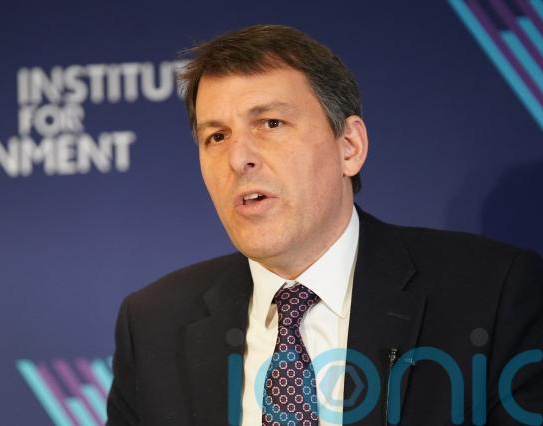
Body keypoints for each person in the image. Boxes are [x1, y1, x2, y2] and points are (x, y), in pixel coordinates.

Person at [106, 25, 543, 426]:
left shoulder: (492, 294)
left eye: (270, 123)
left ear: (349, 146)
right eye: (216, 136)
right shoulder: (152, 324)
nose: (238, 159)